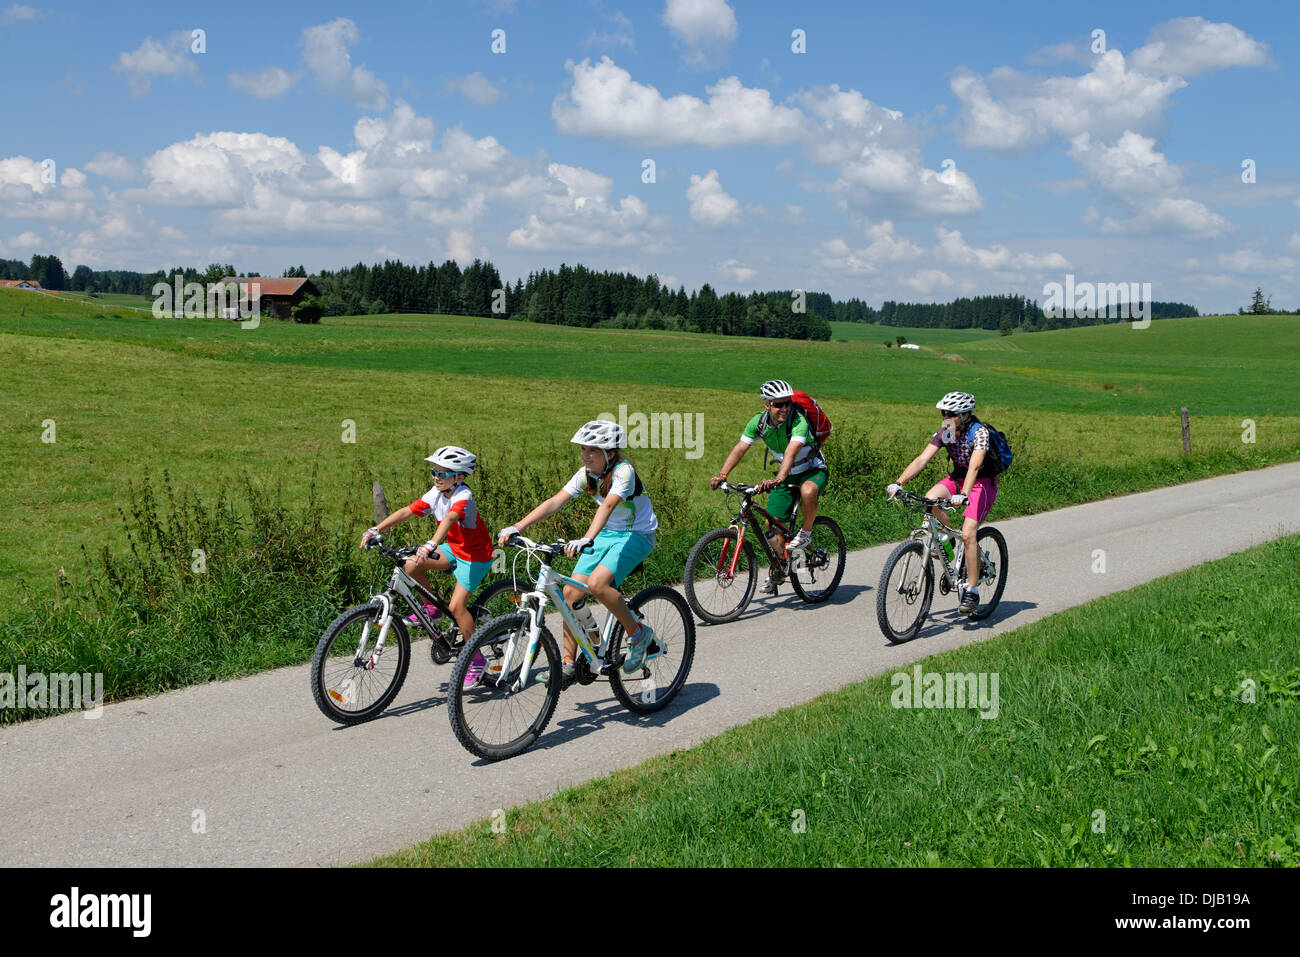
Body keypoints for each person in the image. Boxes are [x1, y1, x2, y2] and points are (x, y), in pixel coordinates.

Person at [497, 420, 658, 681]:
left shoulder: (623, 472)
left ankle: (638, 634)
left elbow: (606, 508)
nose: (585, 455)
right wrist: (518, 526)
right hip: (606, 534)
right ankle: (569, 665)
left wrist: (585, 538)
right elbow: (555, 501)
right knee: (570, 594)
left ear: (611, 453)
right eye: (583, 449)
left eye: (592, 450)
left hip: (637, 534)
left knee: (597, 584)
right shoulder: (587, 474)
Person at [361, 446, 496, 685]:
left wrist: (431, 545)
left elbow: (451, 519)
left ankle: (476, 660)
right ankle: (431, 610)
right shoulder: (436, 493)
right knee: (411, 565)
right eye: (434, 471)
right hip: (454, 550)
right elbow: (407, 511)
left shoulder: (463, 495)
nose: (436, 477)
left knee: (457, 607)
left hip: (475, 556)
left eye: (442, 474)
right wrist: (377, 529)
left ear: (460, 477)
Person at [711, 379, 828, 594]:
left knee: (808, 491)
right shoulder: (758, 422)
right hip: (786, 475)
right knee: (771, 525)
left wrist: (778, 478)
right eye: (778, 405)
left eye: (787, 404)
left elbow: (791, 452)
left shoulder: (798, 421)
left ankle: (806, 533)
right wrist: (722, 474)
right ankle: (784, 568)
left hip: (811, 470)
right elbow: (740, 448)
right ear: (767, 405)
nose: (784, 409)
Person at [887, 392, 997, 615]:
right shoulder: (948, 432)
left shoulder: (979, 433)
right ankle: (947, 544)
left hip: (981, 484)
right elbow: (922, 459)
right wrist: (899, 482)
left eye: (950, 413)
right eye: (943, 412)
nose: (945, 416)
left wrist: (964, 494)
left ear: (965, 415)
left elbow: (975, 467)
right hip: (957, 478)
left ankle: (972, 590)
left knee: (968, 534)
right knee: (930, 500)